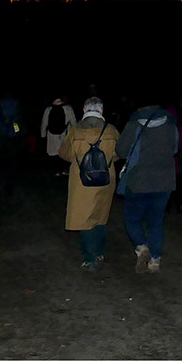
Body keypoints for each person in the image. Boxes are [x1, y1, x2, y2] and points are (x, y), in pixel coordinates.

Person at [58, 97, 119, 272]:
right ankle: (99, 252)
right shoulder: (111, 130)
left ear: (84, 111)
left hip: (81, 180)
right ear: (101, 111)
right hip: (106, 179)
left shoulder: (75, 131)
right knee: (100, 216)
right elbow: (118, 153)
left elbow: (64, 153)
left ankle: (89, 258)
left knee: (84, 218)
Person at [116, 102, 178, 273]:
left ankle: (142, 247)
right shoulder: (171, 123)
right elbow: (175, 148)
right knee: (156, 221)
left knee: (132, 218)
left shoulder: (134, 123)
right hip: (164, 182)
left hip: (138, 180)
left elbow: (121, 151)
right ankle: (155, 261)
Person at [40, 97, 76, 175]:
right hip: (64, 134)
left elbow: (44, 123)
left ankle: (57, 170)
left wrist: (43, 135)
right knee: (64, 152)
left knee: (54, 153)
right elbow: (73, 123)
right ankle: (65, 169)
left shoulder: (48, 109)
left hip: (51, 135)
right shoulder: (68, 109)